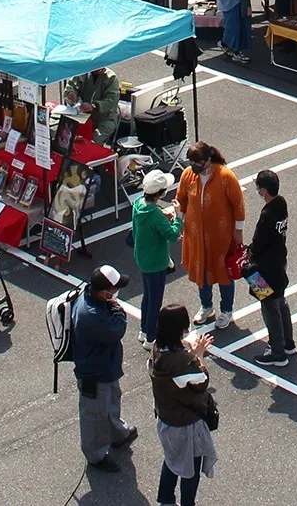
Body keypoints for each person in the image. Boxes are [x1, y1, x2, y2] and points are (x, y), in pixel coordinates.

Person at [149, 304, 217, 506]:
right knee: (190, 469)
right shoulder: (181, 362)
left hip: (165, 419)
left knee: (171, 461)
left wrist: (189, 351)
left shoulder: (157, 350)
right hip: (186, 424)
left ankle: (166, 500)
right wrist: (199, 355)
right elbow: (201, 382)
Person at [71, 265, 136, 474]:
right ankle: (96, 454)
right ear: (103, 292)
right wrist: (118, 309)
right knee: (94, 414)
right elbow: (117, 328)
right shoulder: (93, 315)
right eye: (114, 290)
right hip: (94, 371)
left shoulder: (91, 298)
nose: (116, 294)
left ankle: (117, 433)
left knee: (112, 399)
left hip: (104, 365)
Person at [176, 142, 245, 329]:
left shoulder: (226, 177)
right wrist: (178, 220)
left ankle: (226, 310)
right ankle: (206, 306)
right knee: (202, 273)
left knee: (224, 273)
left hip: (221, 238)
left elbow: (238, 205)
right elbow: (181, 199)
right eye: (191, 162)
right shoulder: (188, 175)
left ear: (208, 160)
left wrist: (238, 232)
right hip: (196, 237)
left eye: (197, 162)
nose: (193, 166)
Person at [247, 168, 296, 367]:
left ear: (264, 191)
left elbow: (258, 243)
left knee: (269, 309)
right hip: (279, 262)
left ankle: (277, 352)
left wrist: (248, 253)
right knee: (281, 303)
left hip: (265, 268)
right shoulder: (281, 204)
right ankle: (288, 343)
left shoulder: (267, 214)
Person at [132, 170, 182, 348]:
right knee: (155, 301)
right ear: (161, 193)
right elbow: (172, 234)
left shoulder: (138, 204)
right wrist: (178, 217)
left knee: (147, 296)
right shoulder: (154, 214)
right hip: (156, 262)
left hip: (142, 258)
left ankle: (144, 330)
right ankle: (151, 338)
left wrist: (164, 216)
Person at [63, 65, 121, 145]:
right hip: (84, 115)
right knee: (70, 136)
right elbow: (70, 87)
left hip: (105, 118)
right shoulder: (83, 73)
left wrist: (94, 106)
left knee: (94, 141)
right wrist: (71, 94)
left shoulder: (111, 78)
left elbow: (112, 101)